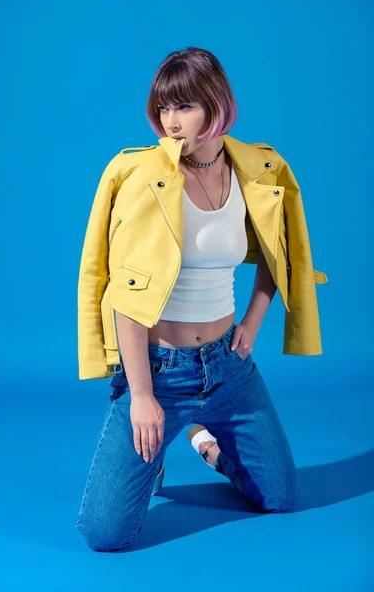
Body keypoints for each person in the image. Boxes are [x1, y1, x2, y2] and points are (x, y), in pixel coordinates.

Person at [75, 47, 328, 552]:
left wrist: (251, 326)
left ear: (216, 105)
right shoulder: (143, 176)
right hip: (158, 370)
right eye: (164, 107)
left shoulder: (259, 170)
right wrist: (144, 397)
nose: (170, 121)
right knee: (106, 535)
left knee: (281, 497)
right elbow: (124, 295)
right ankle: (168, 429)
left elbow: (280, 258)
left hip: (228, 369)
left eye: (185, 106)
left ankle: (200, 438)